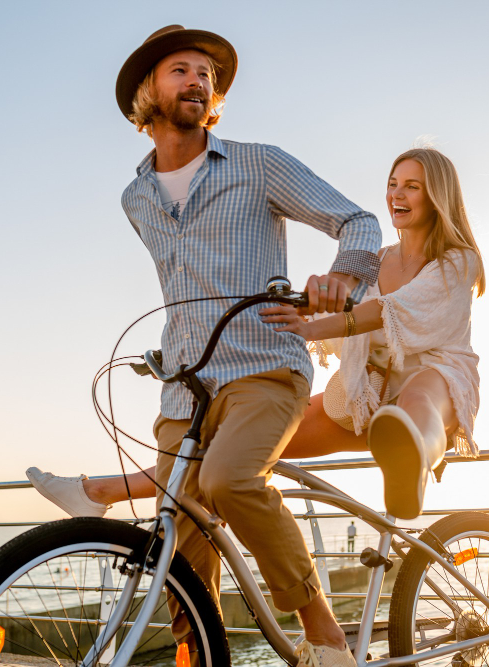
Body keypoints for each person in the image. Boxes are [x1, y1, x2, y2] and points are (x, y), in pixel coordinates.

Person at [37, 24, 383, 666]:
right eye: (181, 70)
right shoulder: (134, 198)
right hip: (186, 381)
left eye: (206, 74)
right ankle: (198, 658)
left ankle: (327, 638)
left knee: (226, 481)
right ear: (148, 92)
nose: (198, 81)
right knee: (179, 532)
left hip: (265, 366)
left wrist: (344, 276)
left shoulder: (257, 164)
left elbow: (357, 221)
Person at [30, 146, 484, 521]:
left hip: (432, 381)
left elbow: (386, 313)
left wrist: (310, 326)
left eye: (412, 187)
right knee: (215, 453)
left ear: (437, 196)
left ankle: (414, 460)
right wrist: (285, 312)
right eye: (393, 184)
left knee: (419, 397)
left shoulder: (458, 260)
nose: (397, 195)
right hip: (365, 396)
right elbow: (342, 304)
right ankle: (99, 493)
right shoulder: (378, 258)